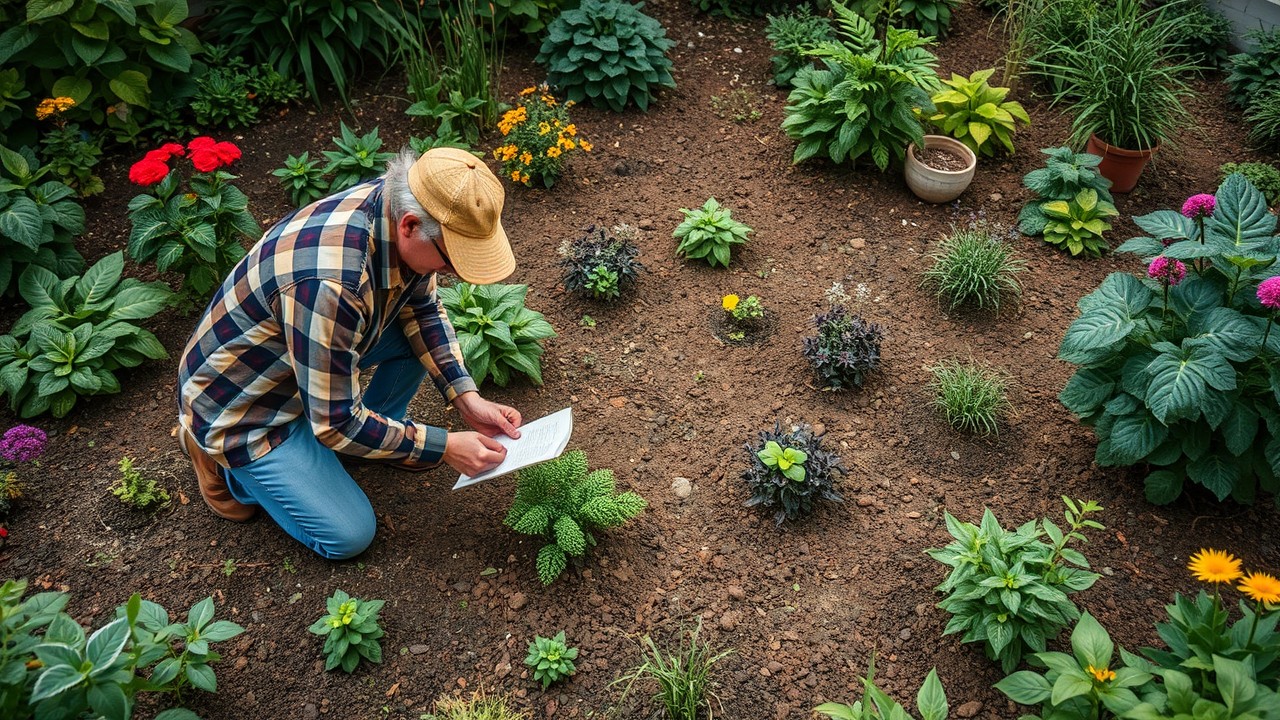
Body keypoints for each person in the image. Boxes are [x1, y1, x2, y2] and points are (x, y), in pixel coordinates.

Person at [176, 147, 524, 560]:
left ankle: (365, 442)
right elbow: (335, 421)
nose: (455, 272)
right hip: (243, 407)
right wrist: (443, 445)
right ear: (411, 225)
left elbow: (424, 310)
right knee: (349, 535)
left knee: (412, 339)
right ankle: (226, 469)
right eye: (452, 261)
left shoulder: (396, 204)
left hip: (308, 364)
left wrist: (467, 398)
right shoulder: (332, 284)